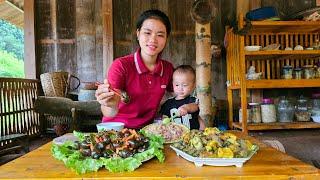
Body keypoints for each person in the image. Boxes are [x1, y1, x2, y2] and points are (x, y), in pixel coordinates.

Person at [95, 9, 174, 129]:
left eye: (160, 35)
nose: (153, 39)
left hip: (149, 131)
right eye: (147, 33)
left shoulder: (167, 69)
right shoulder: (121, 65)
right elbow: (109, 113)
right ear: (138, 34)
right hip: (116, 129)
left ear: (166, 38)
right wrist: (110, 105)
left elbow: (180, 93)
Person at [159, 65, 205, 130]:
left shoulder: (192, 99)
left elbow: (195, 107)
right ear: (172, 84)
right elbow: (164, 115)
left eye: (184, 85)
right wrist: (164, 119)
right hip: (176, 135)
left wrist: (186, 108)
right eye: (177, 85)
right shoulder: (168, 102)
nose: (180, 88)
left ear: (193, 85)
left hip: (192, 134)